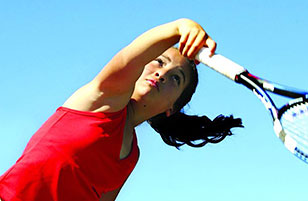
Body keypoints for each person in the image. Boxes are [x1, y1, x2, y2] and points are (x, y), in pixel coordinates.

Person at [0, 18, 242, 201]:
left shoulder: (130, 157)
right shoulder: (104, 98)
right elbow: (131, 55)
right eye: (159, 62)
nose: (162, 73)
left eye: (176, 78)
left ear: (172, 108)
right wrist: (182, 26)